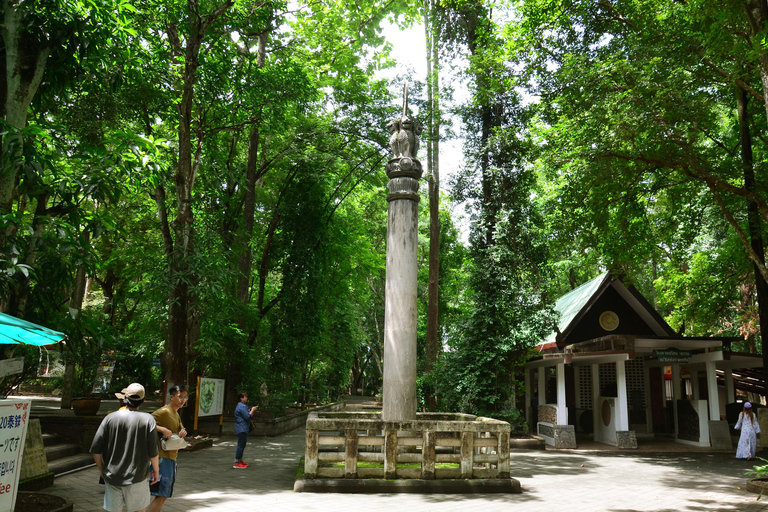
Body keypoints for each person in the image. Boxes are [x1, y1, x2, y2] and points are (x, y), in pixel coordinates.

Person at [90, 383, 160, 512]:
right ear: (143, 400)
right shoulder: (148, 420)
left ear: (124, 398)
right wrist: (156, 470)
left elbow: (95, 449)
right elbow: (153, 451)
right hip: (137, 477)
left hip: (113, 476)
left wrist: (102, 470)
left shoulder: (109, 418)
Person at [148, 385, 188, 512]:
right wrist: (162, 429)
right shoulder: (164, 412)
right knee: (162, 494)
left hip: (171, 457)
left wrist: (183, 432)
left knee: (161, 494)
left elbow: (181, 429)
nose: (182, 400)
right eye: (180, 396)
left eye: (185, 397)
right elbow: (145, 422)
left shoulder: (175, 413)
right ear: (171, 397)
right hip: (162, 458)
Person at [233, 391, 258, 468]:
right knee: (241, 445)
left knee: (242, 444)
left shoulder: (242, 406)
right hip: (242, 428)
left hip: (243, 428)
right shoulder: (242, 406)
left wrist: (252, 410)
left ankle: (239, 460)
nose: (246, 398)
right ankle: (237, 462)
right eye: (245, 397)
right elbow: (247, 416)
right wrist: (252, 410)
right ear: (241, 398)